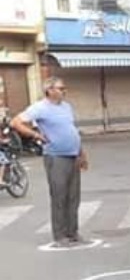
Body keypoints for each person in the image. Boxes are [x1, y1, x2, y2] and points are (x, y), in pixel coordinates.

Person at [12, 77, 89, 247]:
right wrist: (35, 135)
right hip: (56, 156)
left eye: (64, 88)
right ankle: (60, 235)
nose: (64, 91)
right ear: (50, 90)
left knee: (73, 196)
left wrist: (81, 153)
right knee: (59, 195)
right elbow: (16, 122)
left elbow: (72, 130)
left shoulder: (66, 107)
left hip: (72, 154)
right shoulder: (40, 108)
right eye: (61, 88)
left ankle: (73, 232)